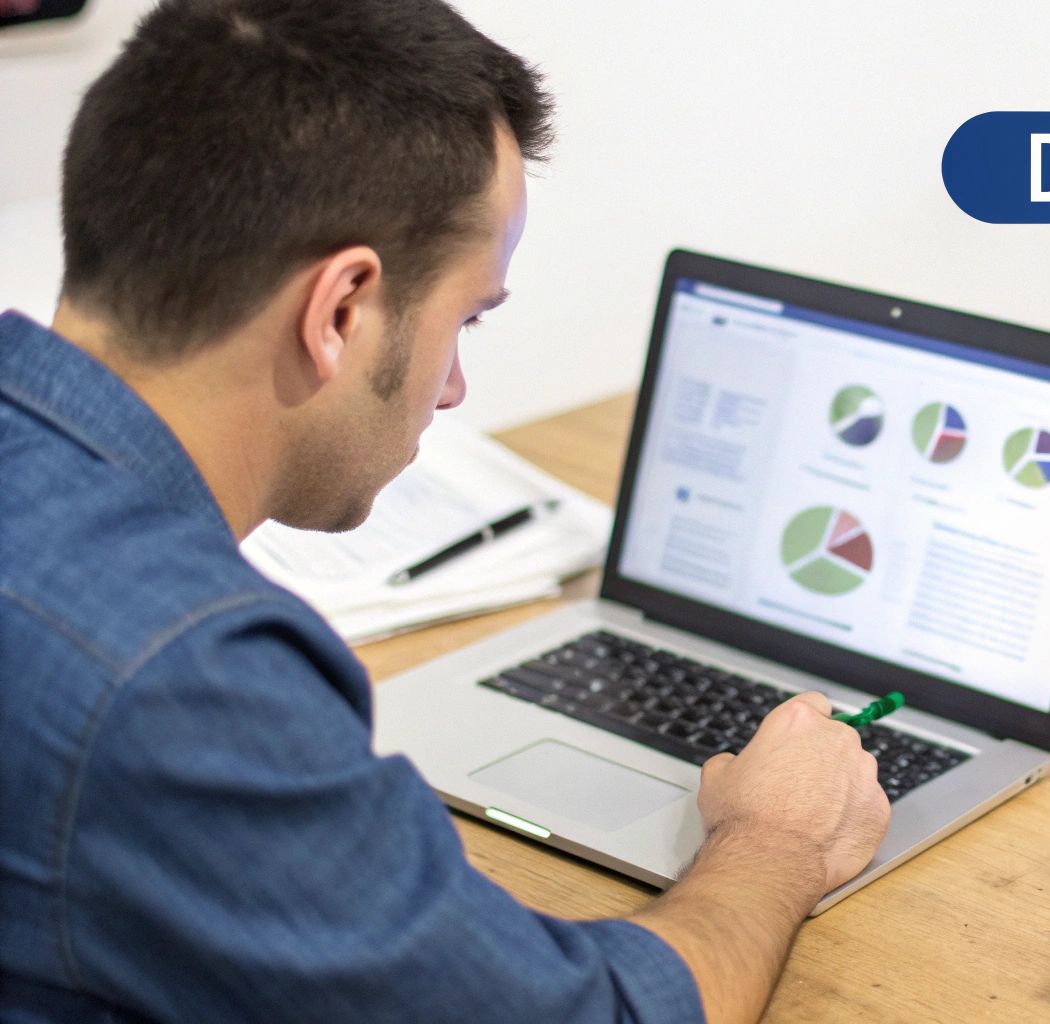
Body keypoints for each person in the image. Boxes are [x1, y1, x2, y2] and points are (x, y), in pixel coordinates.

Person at [0, 1, 890, 1021]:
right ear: (340, 309)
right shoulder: (183, 682)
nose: (455, 386)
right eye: (465, 318)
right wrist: (774, 840)